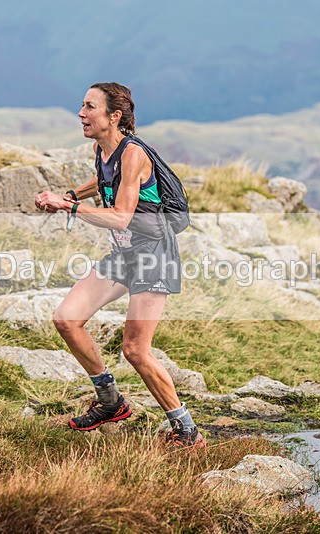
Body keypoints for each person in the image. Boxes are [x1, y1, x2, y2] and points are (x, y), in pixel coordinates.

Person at [33, 82, 204, 448]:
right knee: (66, 319)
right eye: (82, 105)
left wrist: (70, 208)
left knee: (135, 350)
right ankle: (111, 402)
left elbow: (121, 217)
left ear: (114, 116)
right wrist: (72, 194)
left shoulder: (134, 154)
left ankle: (187, 431)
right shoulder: (103, 148)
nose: (81, 113)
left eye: (89, 107)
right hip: (124, 256)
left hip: (153, 256)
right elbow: (105, 179)